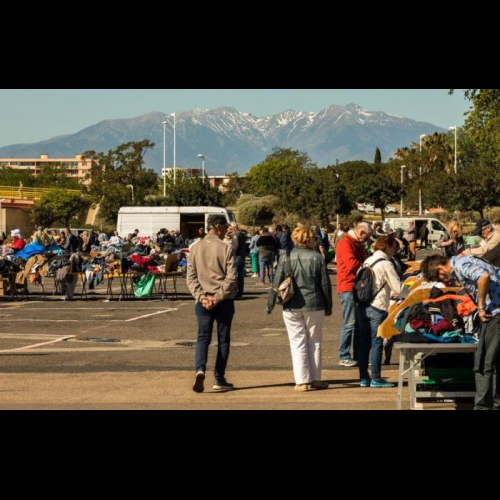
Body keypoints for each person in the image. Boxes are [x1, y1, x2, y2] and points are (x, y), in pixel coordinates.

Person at [422, 254, 500, 410]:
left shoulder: (459, 265)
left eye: (440, 277)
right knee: (492, 362)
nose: (444, 281)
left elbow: (483, 277)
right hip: (495, 311)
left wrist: (481, 307)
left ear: (440, 268)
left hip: (494, 312)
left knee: (484, 362)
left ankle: (484, 406)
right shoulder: (463, 259)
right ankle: (493, 404)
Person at [266, 225, 333, 392]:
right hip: (315, 304)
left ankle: (302, 381)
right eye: (314, 239)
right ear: (309, 239)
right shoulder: (318, 258)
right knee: (314, 342)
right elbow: (325, 284)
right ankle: (316, 378)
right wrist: (328, 306)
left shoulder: (286, 257)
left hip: (291, 305)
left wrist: (270, 304)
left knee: (297, 343)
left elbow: (276, 283)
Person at [187, 214, 238, 394]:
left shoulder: (195, 248)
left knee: (203, 337)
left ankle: (200, 369)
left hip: (203, 301)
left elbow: (191, 278)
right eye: (225, 226)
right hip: (223, 301)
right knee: (223, 340)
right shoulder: (226, 248)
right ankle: (219, 377)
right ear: (217, 227)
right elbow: (231, 277)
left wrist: (202, 297)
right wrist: (218, 297)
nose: (227, 229)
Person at [357, 235, 403, 389]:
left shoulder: (367, 260)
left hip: (363, 305)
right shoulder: (386, 264)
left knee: (364, 343)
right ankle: (376, 377)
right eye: (394, 248)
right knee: (377, 343)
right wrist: (413, 292)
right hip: (378, 306)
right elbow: (398, 288)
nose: (394, 252)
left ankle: (364, 377)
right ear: (388, 247)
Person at [336, 222, 372, 367]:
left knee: (358, 323)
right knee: (350, 323)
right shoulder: (345, 242)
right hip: (348, 287)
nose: (367, 240)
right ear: (361, 232)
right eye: (367, 236)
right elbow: (351, 264)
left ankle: (357, 355)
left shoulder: (355, 243)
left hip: (356, 287)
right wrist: (367, 267)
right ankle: (344, 355)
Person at [229, 223, 248, 299]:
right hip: (242, 256)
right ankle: (240, 292)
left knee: (233, 275)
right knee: (240, 275)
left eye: (230, 226)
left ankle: (235, 291)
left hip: (237, 257)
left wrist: (231, 254)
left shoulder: (235, 234)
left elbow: (235, 246)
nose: (229, 228)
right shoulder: (242, 234)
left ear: (233, 227)